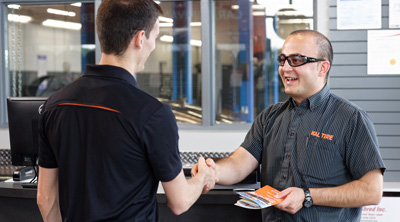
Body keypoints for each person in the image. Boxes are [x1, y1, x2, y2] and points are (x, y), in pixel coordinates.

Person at [37, 0, 215, 221]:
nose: (153, 45)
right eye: (155, 37)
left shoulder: (55, 105)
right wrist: (203, 176)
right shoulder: (152, 114)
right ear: (141, 38)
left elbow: (45, 198)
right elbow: (179, 202)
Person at [192, 30, 385, 221]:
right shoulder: (269, 117)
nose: (285, 68)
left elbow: (371, 190)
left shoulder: (351, 119)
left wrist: (307, 196)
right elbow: (239, 164)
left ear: (322, 68)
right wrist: (213, 172)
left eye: (297, 60)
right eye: (282, 60)